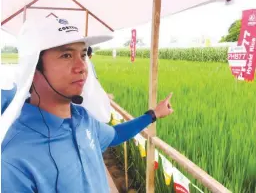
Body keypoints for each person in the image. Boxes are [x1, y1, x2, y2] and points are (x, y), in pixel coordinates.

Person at [1, 18, 174, 193]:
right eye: (66, 55)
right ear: (33, 68)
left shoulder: (82, 119)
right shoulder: (13, 158)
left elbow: (115, 134)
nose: (82, 66)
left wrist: (153, 114)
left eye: (83, 55)